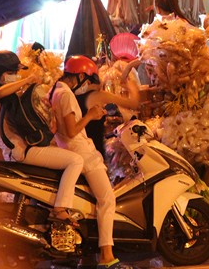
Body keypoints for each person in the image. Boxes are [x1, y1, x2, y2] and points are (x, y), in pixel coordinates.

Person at [0, 50, 84, 224]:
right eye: (12, 73)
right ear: (0, 73)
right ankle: (60, 208)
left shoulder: (9, 94)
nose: (16, 76)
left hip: (25, 148)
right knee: (75, 161)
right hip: (20, 152)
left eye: (17, 73)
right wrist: (27, 80)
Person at [49, 56, 124, 269]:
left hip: (71, 149)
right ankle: (107, 256)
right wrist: (91, 115)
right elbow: (72, 131)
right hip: (81, 151)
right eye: (88, 81)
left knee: (94, 200)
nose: (88, 86)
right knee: (107, 199)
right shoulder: (66, 96)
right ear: (80, 76)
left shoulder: (55, 91)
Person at [60, 55, 140, 158]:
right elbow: (133, 104)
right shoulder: (98, 96)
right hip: (91, 153)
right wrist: (131, 86)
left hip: (72, 150)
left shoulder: (68, 95)